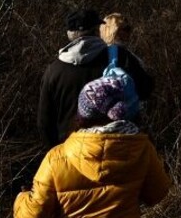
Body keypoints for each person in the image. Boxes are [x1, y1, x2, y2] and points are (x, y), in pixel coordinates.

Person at [15, 76, 170, 218]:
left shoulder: (57, 159)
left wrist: (22, 198)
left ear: (83, 115)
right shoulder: (142, 149)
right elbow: (157, 194)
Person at [38, 9, 154, 149]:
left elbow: (44, 122)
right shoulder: (120, 57)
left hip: (71, 153)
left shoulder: (53, 70)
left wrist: (56, 152)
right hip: (114, 149)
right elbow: (146, 90)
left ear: (69, 34)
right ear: (96, 30)